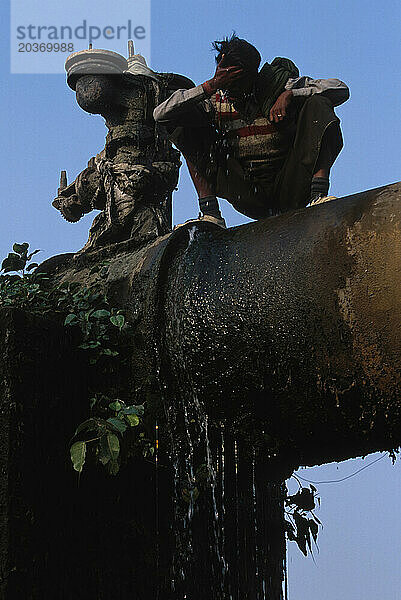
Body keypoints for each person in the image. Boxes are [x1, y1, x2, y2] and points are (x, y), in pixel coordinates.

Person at [153, 34, 349, 227]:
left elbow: (340, 89)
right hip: (248, 192)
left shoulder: (279, 87)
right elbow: (160, 115)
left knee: (318, 103)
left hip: (291, 187)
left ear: (252, 75)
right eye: (226, 81)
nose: (232, 89)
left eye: (238, 81)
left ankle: (319, 195)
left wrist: (292, 94)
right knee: (184, 124)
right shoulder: (214, 100)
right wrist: (210, 85)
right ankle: (210, 214)